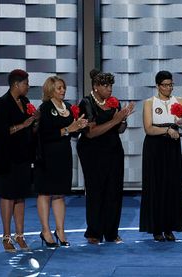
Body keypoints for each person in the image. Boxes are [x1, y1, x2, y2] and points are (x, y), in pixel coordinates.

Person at [77, 69, 135, 244]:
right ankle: (94, 232)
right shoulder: (86, 103)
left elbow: (120, 130)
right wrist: (115, 120)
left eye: (110, 85)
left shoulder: (113, 102)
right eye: (105, 85)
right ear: (95, 87)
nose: (109, 89)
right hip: (92, 151)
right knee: (96, 191)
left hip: (113, 149)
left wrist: (123, 119)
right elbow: (91, 133)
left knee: (114, 191)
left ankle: (111, 232)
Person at [34, 76, 88, 247]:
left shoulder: (68, 107)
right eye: (59, 88)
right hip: (47, 156)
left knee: (59, 193)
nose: (63, 91)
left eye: (63, 88)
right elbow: (45, 134)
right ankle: (45, 231)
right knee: (45, 192)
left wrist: (78, 127)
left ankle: (60, 231)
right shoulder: (45, 108)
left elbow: (71, 133)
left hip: (63, 155)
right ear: (50, 90)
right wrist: (67, 129)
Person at [139, 70, 182, 241]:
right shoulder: (149, 103)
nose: (169, 88)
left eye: (171, 85)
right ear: (157, 86)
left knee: (171, 185)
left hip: (172, 146)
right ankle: (156, 228)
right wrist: (167, 130)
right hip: (155, 146)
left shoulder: (180, 101)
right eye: (165, 85)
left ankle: (169, 227)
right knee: (156, 185)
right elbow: (148, 128)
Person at [0, 69, 37, 252]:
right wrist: (23, 125)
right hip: (6, 157)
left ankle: (20, 235)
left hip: (23, 157)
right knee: (8, 196)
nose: (28, 86)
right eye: (26, 83)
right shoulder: (1, 104)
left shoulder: (25, 102)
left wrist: (35, 123)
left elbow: (29, 130)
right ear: (16, 84)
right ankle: (6, 237)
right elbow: (2, 131)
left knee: (20, 196)